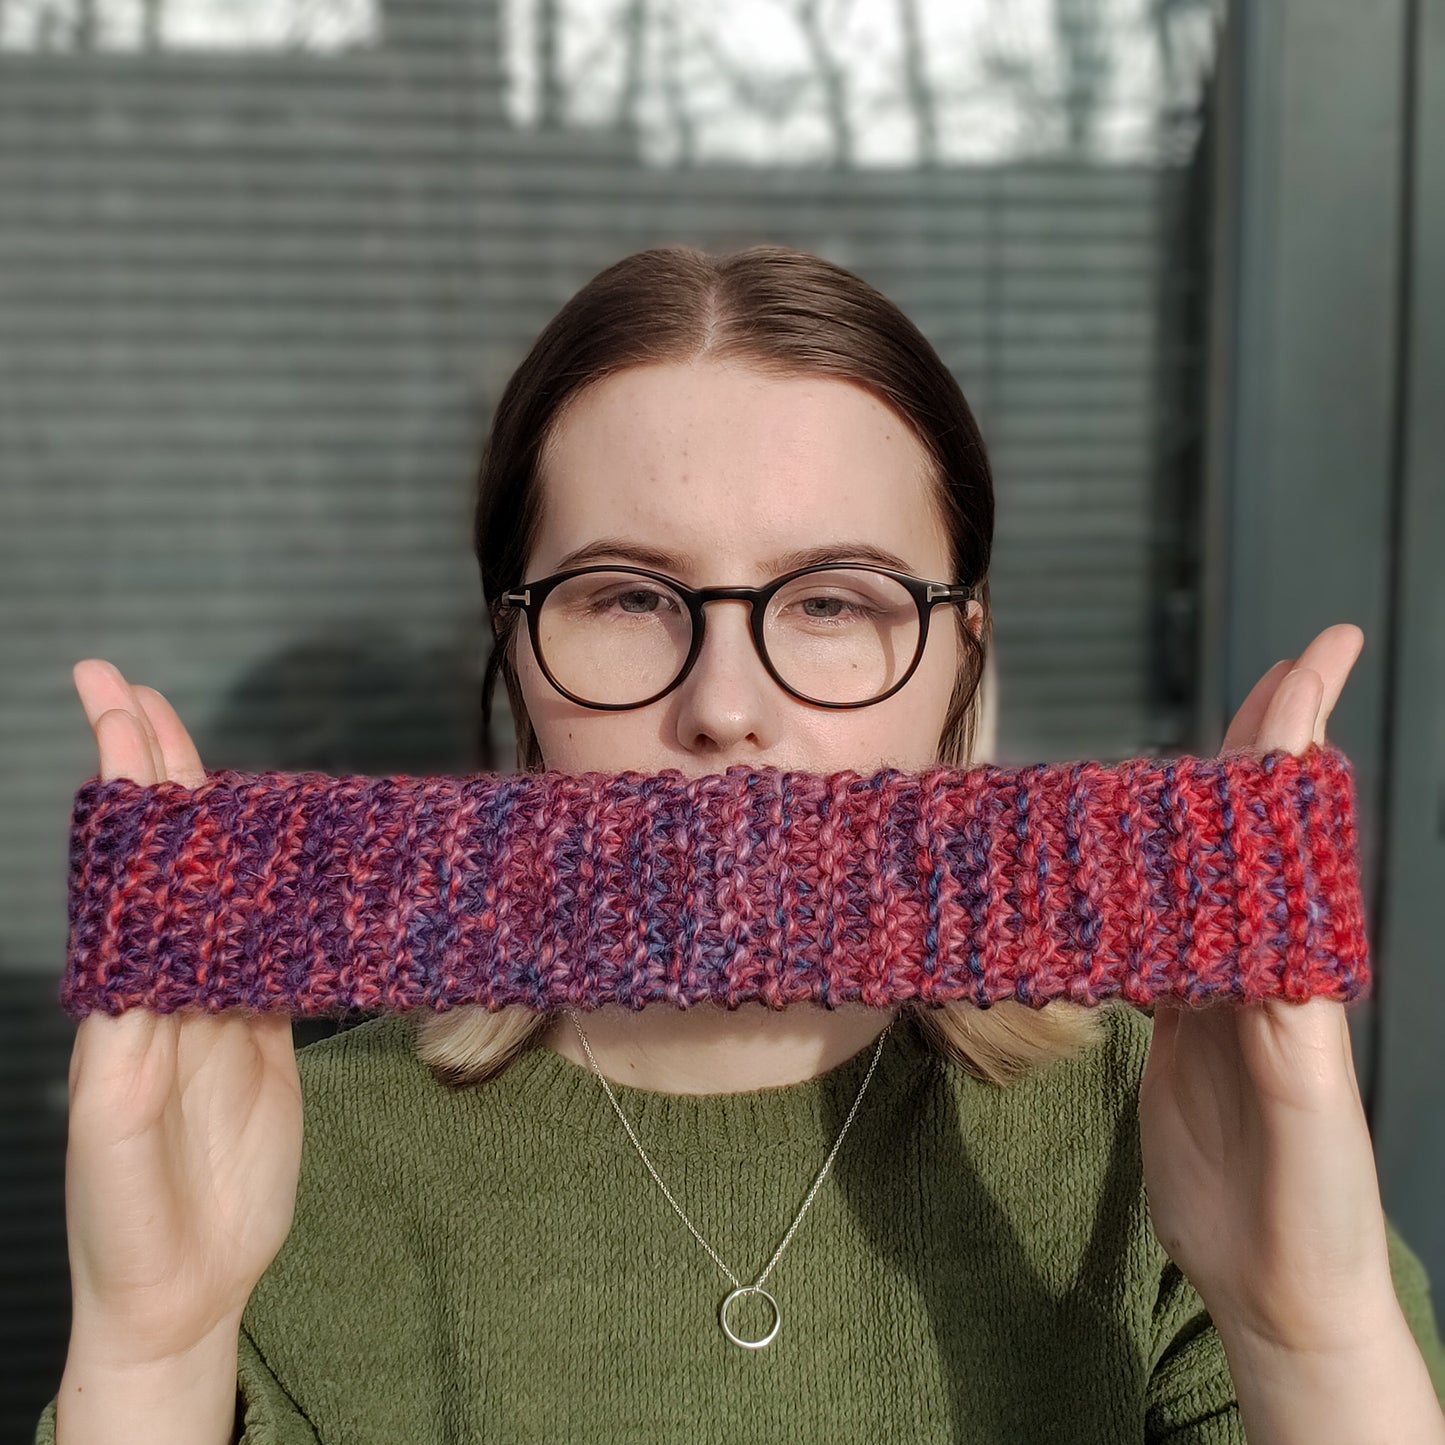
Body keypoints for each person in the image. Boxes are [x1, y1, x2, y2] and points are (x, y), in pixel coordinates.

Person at [36, 244, 1445, 1443]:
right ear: (512, 650)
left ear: (962, 655)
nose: (724, 707)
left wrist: (1304, 1326)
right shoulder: (281, 1167)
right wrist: (153, 1351)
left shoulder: (1172, 1139)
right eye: (625, 596)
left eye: (832, 602)